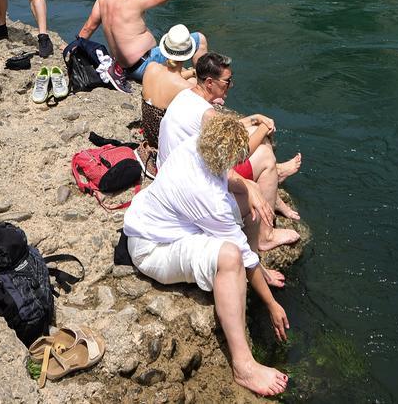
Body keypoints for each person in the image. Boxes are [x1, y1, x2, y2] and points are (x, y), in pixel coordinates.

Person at [122, 110, 290, 399]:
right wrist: (273, 305)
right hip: (152, 249)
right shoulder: (210, 200)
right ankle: (243, 364)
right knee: (230, 256)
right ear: (230, 159)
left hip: (152, 222)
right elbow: (246, 259)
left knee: (239, 215)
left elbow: (226, 139)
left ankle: (245, 357)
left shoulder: (197, 144)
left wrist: (252, 125)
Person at [159, 51, 302, 251]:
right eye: (227, 81)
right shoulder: (207, 113)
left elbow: (222, 131)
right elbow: (237, 154)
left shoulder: (187, 95)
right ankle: (265, 235)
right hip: (191, 183)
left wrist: (253, 120)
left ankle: (272, 190)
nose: (231, 85)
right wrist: (262, 129)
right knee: (266, 155)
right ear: (210, 82)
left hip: (173, 170)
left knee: (255, 133)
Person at [76, 0, 201, 78]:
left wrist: (74, 47)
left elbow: (89, 28)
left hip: (120, 68)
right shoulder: (138, 1)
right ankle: (203, 79)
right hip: (143, 66)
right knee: (200, 38)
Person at [141, 30, 201, 148]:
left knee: (192, 79)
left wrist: (192, 72)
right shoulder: (188, 88)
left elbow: (170, 79)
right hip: (165, 143)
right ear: (188, 53)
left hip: (149, 135)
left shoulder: (151, 67)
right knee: (194, 82)